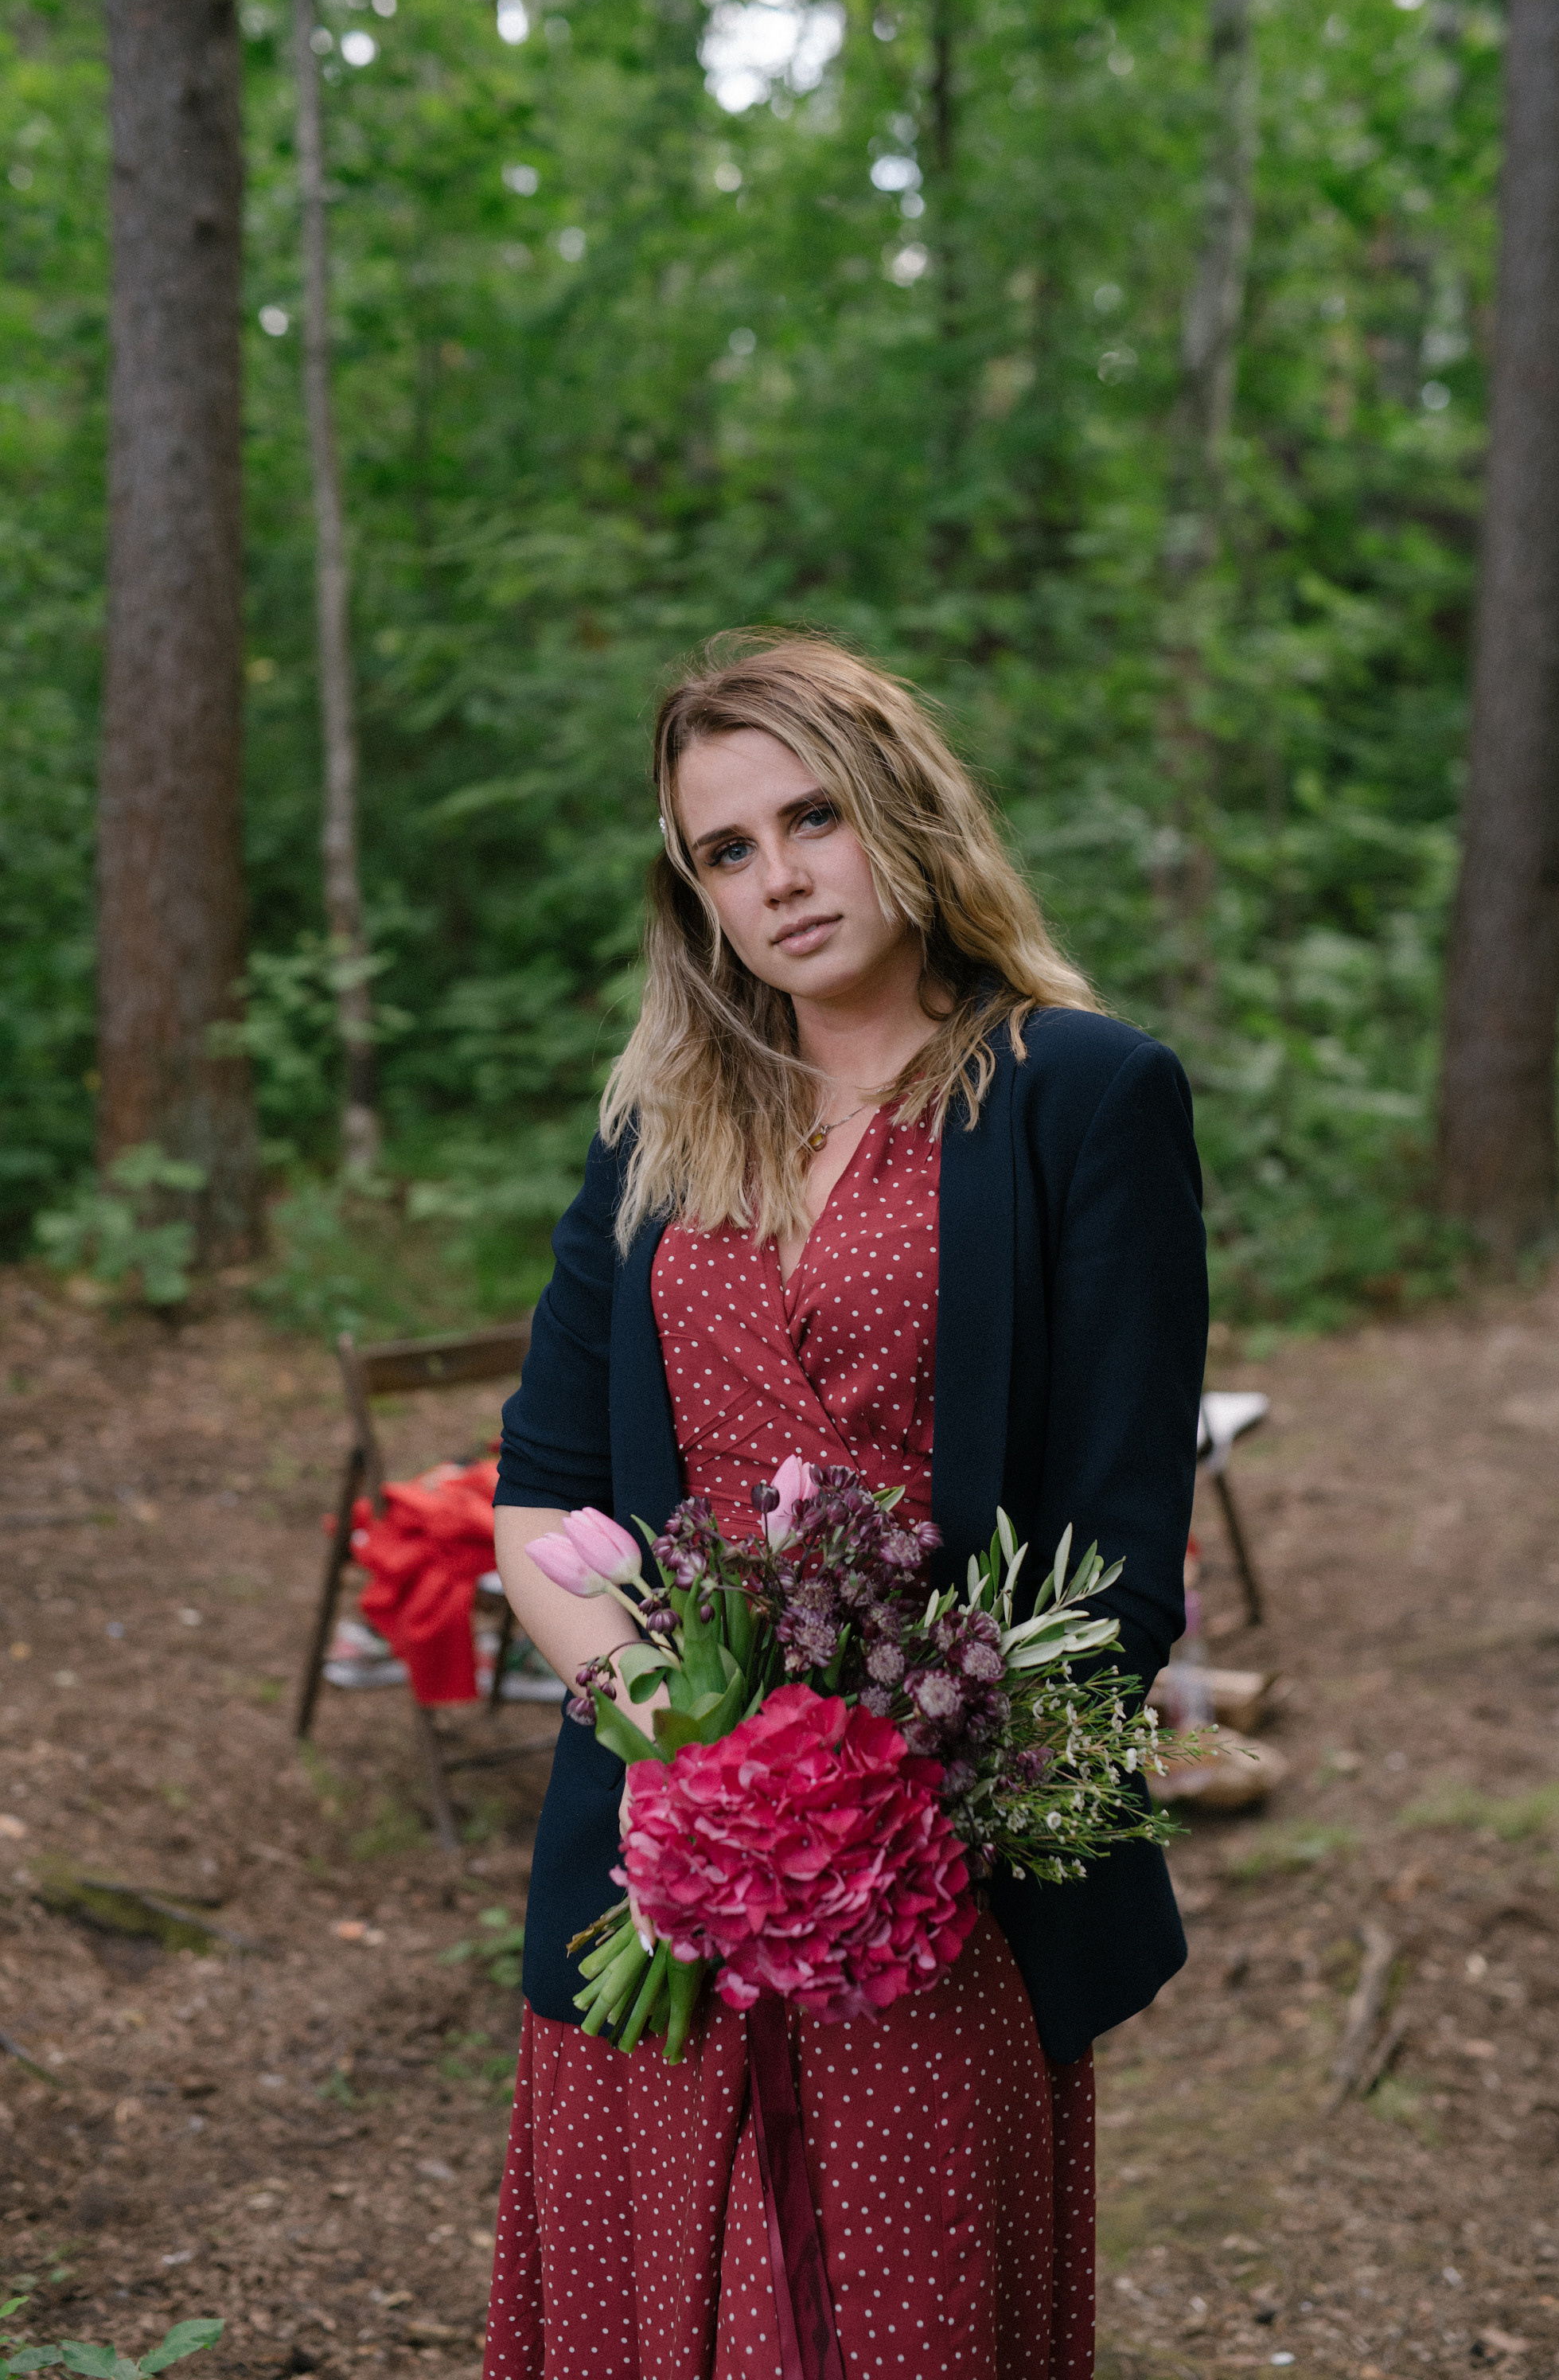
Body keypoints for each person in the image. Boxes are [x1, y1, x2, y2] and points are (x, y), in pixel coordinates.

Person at [483, 633, 1207, 2380]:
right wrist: (677, 1743)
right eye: (727, 850)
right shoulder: (656, 1134)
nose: (780, 878)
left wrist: (879, 1805)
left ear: (905, 808)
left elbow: (1118, 1558)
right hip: (653, 1857)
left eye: (813, 818)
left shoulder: (1080, 1095)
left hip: (936, 1884)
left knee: (894, 2333)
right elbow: (538, 1499)